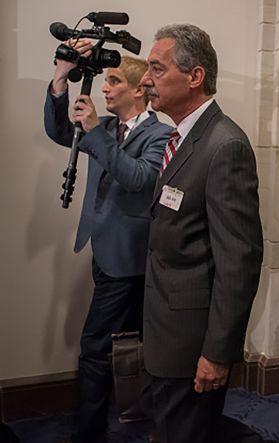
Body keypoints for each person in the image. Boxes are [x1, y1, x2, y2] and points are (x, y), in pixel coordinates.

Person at [43, 41, 172, 443]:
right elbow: (61, 131)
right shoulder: (110, 129)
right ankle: (142, 418)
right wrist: (61, 79)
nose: (105, 88)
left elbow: (137, 179)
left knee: (96, 346)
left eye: (114, 81)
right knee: (127, 341)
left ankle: (90, 432)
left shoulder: (163, 134)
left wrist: (96, 130)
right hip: (103, 248)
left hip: (131, 257)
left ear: (139, 89)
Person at [140, 24, 263, 443]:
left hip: (193, 345)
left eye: (156, 69)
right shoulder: (180, 137)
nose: (145, 80)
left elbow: (238, 261)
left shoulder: (224, 145)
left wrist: (216, 352)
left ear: (195, 76)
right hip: (167, 332)